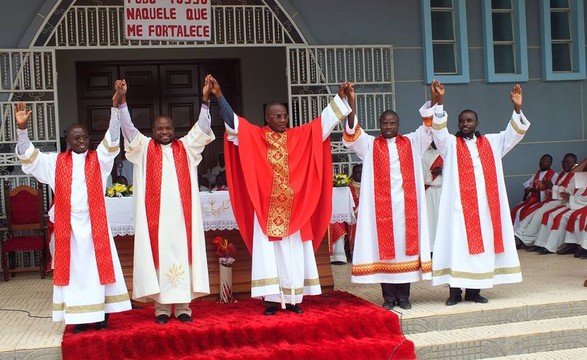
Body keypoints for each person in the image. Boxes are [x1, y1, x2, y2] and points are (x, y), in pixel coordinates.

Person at [208, 75, 352, 315]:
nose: (283, 119)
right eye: (277, 116)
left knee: (294, 256)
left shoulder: (299, 136)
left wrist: (340, 97)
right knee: (270, 256)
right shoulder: (257, 136)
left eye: (285, 115)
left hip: (296, 210)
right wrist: (219, 95)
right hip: (267, 210)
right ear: (267, 117)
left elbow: (323, 123)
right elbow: (234, 124)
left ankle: (295, 299)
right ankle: (272, 301)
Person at [14, 83, 131, 332]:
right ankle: (78, 317)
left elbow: (111, 139)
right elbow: (29, 156)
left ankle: (102, 315)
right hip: (70, 229)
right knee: (76, 276)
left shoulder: (98, 159)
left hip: (95, 225)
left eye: (85, 137)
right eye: (76, 138)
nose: (82, 141)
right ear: (67, 140)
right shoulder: (55, 162)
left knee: (100, 272)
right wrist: (22, 129)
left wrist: (115, 106)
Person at [119, 78, 214, 324]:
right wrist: (121, 102)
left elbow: (202, 128)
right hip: (157, 222)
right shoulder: (143, 148)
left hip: (183, 221)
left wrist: (205, 100)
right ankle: (161, 309)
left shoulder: (186, 147)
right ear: (153, 131)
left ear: (174, 129)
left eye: (168, 128)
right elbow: (128, 129)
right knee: (158, 256)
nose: (164, 132)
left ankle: (183, 308)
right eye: (160, 129)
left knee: (183, 256)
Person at [429, 81, 528, 306]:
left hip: (484, 210)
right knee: (457, 248)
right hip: (459, 210)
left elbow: (514, 133)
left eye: (469, 120)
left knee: (481, 251)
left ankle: (474, 292)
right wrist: (440, 102)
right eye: (462, 121)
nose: (465, 124)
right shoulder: (450, 145)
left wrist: (517, 108)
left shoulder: (492, 142)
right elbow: (438, 131)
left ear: (477, 123)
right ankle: (454, 293)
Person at [343, 83, 433, 311]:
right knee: (384, 255)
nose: (389, 127)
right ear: (380, 125)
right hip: (380, 211)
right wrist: (352, 104)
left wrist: (435, 100)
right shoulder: (370, 145)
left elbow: (429, 128)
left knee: (405, 252)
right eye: (385, 123)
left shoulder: (413, 142)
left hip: (406, 210)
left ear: (398, 125)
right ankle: (388, 297)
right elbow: (353, 134)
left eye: (392, 123)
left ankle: (404, 297)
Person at [515, 154, 577, 251]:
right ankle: (520, 235)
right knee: (533, 213)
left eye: (569, 162)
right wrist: (545, 188)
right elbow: (550, 190)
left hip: (562, 202)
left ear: (575, 164)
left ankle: (527, 239)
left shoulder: (575, 177)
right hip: (552, 199)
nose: (566, 164)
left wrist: (552, 187)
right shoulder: (561, 174)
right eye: (564, 162)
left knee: (541, 214)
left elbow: (568, 193)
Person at [510, 154, 556, 230]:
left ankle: (521, 233)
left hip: (543, 202)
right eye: (542, 160)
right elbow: (528, 186)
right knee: (516, 209)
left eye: (546, 161)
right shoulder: (535, 175)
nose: (543, 162)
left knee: (524, 211)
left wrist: (536, 191)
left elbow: (551, 191)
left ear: (550, 164)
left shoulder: (554, 176)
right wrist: (528, 191)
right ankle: (514, 232)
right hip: (532, 200)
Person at [422, 141, 443, 251]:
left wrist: (443, 171)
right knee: (430, 220)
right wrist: (431, 174)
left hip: (443, 191)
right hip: (429, 191)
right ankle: (430, 249)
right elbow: (421, 174)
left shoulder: (447, 152)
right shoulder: (424, 154)